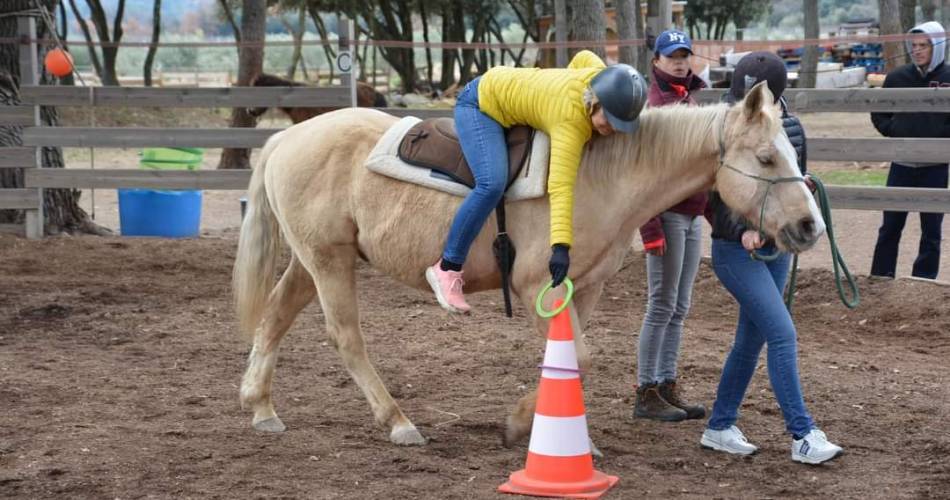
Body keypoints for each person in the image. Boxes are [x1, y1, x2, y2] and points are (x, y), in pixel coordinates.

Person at [700, 52, 844, 465]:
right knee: (782, 334)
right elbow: (717, 193)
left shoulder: (792, 129)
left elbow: (794, 185)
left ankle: (719, 425)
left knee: (750, 341)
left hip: (776, 247)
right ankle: (802, 433)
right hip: (735, 252)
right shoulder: (728, 129)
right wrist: (738, 230)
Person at [425, 50, 648, 313]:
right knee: (492, 184)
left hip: (509, 85)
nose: (611, 129)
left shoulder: (599, 76)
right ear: (594, 100)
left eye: (620, 125)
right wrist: (560, 247)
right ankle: (448, 266)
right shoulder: (570, 122)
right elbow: (561, 187)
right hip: (480, 104)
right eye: (609, 120)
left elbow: (583, 56)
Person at [633, 29, 708, 422]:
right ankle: (646, 389)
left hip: (691, 213)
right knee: (662, 303)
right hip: (667, 214)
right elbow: (644, 174)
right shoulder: (655, 107)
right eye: (672, 56)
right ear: (657, 62)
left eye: (685, 55)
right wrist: (651, 228)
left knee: (678, 304)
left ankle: (665, 383)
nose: (680, 62)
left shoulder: (687, 99)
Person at [870, 21, 950, 280]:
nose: (917, 50)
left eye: (923, 45)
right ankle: (881, 276)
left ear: (936, 46)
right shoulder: (897, 78)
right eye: (913, 45)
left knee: (931, 231)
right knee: (890, 226)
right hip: (902, 164)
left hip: (936, 166)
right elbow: (878, 113)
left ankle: (924, 280)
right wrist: (894, 131)